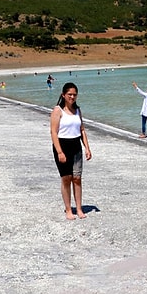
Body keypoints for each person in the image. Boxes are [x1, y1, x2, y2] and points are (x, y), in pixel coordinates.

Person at [50, 83, 92, 220]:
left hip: (76, 146)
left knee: (77, 178)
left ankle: (79, 208)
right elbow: (53, 132)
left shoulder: (77, 110)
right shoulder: (57, 110)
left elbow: (82, 130)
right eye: (69, 94)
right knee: (66, 178)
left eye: (74, 95)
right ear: (63, 95)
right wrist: (59, 152)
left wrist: (87, 148)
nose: (72, 97)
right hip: (62, 146)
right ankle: (68, 209)